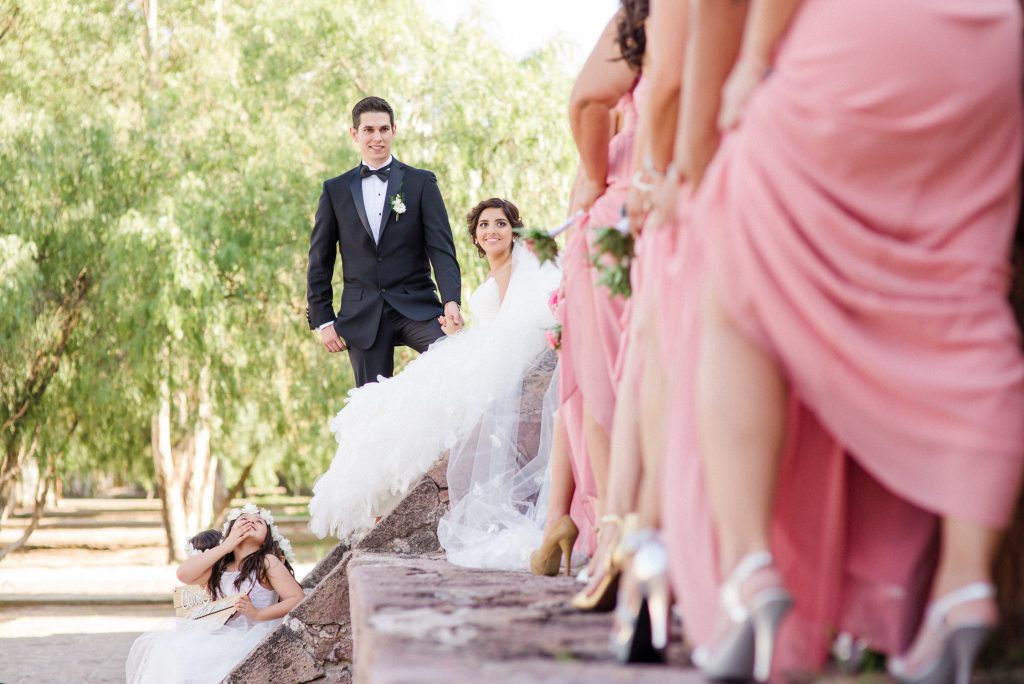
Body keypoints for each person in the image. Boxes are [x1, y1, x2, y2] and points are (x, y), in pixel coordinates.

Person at [682, 0, 1024, 681]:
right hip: (991, 52)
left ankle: (750, 571)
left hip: (856, 44)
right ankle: (963, 587)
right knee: (960, 296)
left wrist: (752, 63)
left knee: (737, 287)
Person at [309, 198, 562, 572]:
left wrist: (470, 341)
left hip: (498, 352)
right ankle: (383, 500)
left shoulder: (516, 267)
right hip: (484, 342)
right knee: (401, 396)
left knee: (415, 396)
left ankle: (383, 496)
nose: (492, 231)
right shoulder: (495, 271)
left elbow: (515, 324)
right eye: (484, 226)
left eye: (500, 224)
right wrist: (459, 332)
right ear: (475, 236)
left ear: (514, 230)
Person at [306, 95, 463, 388]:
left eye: (383, 129)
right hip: (362, 314)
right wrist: (323, 320)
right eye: (369, 130)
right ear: (355, 134)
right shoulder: (334, 190)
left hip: (416, 306)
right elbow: (319, 261)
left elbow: (441, 248)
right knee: (371, 405)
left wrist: (451, 300)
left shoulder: (421, 183)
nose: (377, 137)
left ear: (394, 131)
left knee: (452, 359)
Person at [126, 504, 304, 683]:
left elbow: (296, 598)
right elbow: (183, 574)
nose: (250, 522)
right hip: (217, 632)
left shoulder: (267, 562)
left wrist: (258, 613)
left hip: (253, 632)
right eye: (243, 520)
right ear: (229, 531)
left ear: (267, 537)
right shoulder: (220, 566)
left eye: (259, 521)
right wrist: (225, 547)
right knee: (176, 650)